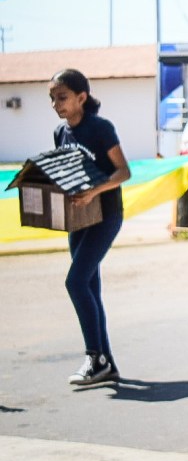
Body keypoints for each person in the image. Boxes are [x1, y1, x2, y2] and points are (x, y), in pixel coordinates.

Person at [49, 69, 131, 385]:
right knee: (90, 287)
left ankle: (95, 357)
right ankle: (105, 363)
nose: (56, 104)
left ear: (81, 97)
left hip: (106, 216)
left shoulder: (100, 128)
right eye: (52, 98)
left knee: (75, 282)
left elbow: (123, 172)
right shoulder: (60, 132)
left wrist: (94, 192)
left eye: (62, 97)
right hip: (78, 219)